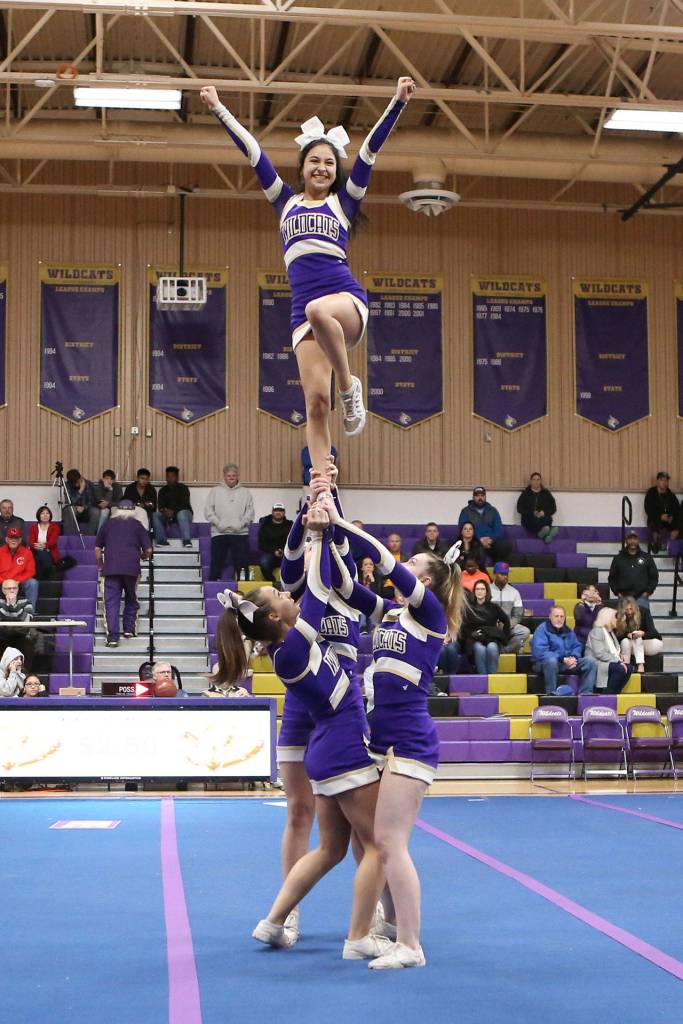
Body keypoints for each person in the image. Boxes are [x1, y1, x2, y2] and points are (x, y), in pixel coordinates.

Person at [200, 76, 416, 486]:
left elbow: (370, 151)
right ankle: (321, 482)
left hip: (345, 302)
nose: (322, 167)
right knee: (315, 405)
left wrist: (397, 102)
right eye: (315, 161)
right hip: (304, 316)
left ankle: (350, 389)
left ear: (336, 172)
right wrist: (217, 108)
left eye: (330, 163)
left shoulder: (345, 202)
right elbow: (253, 153)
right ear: (302, 167)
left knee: (321, 312)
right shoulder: (285, 202)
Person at [213, 504, 387, 962]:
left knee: (333, 847)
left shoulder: (290, 640)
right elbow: (309, 588)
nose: (283, 593)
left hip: (331, 741)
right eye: (276, 595)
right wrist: (313, 531)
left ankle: (272, 920)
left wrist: (323, 521)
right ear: (275, 617)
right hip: (343, 738)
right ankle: (362, 934)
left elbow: (314, 588)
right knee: (378, 843)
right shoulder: (293, 643)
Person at [316, 487, 463, 969]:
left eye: (414, 561)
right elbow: (346, 587)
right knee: (369, 842)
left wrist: (344, 523)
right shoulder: (393, 612)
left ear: (426, 578)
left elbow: (384, 563)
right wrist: (328, 538)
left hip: (410, 743)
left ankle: (411, 946)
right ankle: (394, 924)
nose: (406, 563)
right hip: (379, 742)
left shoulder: (430, 614)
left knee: (390, 843)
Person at [95, 500, 152, 647]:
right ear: (133, 510)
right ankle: (129, 629)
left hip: (110, 569)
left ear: (117, 510)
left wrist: (101, 565)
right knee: (131, 599)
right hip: (132, 569)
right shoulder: (137, 525)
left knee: (111, 603)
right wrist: (143, 557)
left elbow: (97, 549)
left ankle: (113, 638)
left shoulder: (108, 525)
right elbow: (149, 550)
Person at [531, 606, 597, 695]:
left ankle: (586, 693)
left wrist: (573, 657)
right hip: (544, 663)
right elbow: (540, 652)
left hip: (566, 663)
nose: (559, 619)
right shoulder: (542, 629)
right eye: (556, 616)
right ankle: (551, 693)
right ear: (550, 616)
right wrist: (562, 659)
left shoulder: (568, 630)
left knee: (590, 661)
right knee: (551, 661)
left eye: (562, 616)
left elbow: (576, 646)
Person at [205, 464, 254, 581]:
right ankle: (213, 584)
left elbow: (250, 513)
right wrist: (219, 524)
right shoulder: (215, 491)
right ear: (224, 476)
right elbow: (208, 511)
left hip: (240, 533)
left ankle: (244, 585)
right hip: (219, 532)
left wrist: (240, 524)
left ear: (237, 476)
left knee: (242, 562)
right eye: (229, 475)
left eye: (234, 475)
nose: (231, 477)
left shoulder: (246, 492)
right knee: (216, 561)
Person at [459, 579, 510, 675]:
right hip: (474, 638)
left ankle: (492, 678)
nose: (479, 591)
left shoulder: (494, 607)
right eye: (477, 589)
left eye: (482, 589)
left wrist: (505, 637)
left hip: (491, 638)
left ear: (487, 592)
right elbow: (463, 627)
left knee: (492, 648)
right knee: (480, 649)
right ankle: (483, 678)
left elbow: (506, 621)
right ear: (474, 591)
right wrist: (471, 634)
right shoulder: (468, 608)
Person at [458, 487, 513, 563]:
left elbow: (498, 529)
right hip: (474, 542)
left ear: (485, 497)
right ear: (473, 497)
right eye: (477, 496)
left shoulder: (493, 511)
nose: (480, 498)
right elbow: (462, 528)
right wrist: (479, 540)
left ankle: (499, 571)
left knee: (505, 545)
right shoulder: (465, 511)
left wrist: (491, 540)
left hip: (491, 542)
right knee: (473, 548)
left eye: (482, 495)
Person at [585, 607, 632, 693]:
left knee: (629, 668)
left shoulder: (611, 633)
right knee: (619, 668)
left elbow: (614, 651)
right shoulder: (597, 631)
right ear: (607, 618)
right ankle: (607, 693)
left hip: (608, 661)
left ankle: (615, 692)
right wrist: (618, 661)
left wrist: (621, 656)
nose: (617, 620)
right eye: (615, 617)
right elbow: (600, 654)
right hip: (598, 663)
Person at [608, 529, 658, 609]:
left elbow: (654, 577)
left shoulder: (647, 557)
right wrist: (617, 593)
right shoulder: (618, 558)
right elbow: (612, 578)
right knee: (623, 621)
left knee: (643, 621)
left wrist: (647, 592)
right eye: (630, 539)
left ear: (638, 540)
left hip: (642, 598)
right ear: (626, 541)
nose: (632, 541)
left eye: (635, 539)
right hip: (624, 598)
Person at [489, 562, 530, 653]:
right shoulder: (487, 590)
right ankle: (511, 647)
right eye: (502, 574)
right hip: (491, 626)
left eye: (506, 574)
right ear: (494, 574)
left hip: (508, 627)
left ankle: (503, 650)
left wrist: (508, 625)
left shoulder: (514, 592)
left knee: (525, 631)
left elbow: (518, 615)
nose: (505, 577)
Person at [615, 596, 663, 673]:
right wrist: (627, 635)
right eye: (627, 610)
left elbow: (654, 633)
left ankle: (641, 665)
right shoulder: (619, 616)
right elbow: (617, 637)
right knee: (625, 641)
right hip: (631, 646)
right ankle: (626, 665)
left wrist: (642, 633)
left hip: (650, 643)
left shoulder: (644, 612)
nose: (629, 612)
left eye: (631, 609)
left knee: (637, 638)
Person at [153, 466, 194, 548]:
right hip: (168, 515)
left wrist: (173, 512)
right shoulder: (162, 490)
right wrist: (165, 511)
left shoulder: (183, 488)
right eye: (168, 476)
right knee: (155, 515)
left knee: (181, 513)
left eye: (173, 476)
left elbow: (184, 504)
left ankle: (186, 541)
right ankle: (162, 541)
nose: (170, 478)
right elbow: (161, 506)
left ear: (177, 477)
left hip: (184, 515)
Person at [0, 527, 38, 610]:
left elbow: (31, 571)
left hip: (20, 582)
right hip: (3, 581)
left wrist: (17, 581)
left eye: (16, 538)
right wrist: (4, 581)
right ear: (6, 539)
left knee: (33, 583)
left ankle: (30, 612)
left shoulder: (27, 553)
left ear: (20, 540)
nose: (13, 540)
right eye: (11, 538)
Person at [0, 579, 34, 668]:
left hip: (20, 635)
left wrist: (14, 606)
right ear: (3, 590)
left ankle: (25, 675)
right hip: (2, 635)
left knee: (28, 647)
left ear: (18, 589)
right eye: (8, 588)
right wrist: (8, 605)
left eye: (14, 588)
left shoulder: (26, 602)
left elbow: (27, 620)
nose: (12, 591)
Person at [644, 471, 680, 554]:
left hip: (668, 520)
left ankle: (672, 547)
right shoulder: (651, 493)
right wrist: (660, 516)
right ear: (657, 481)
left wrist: (671, 517)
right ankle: (656, 545)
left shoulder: (671, 495)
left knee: (678, 524)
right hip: (655, 519)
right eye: (662, 480)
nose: (664, 483)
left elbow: (676, 509)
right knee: (655, 525)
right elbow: (648, 509)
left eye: (666, 481)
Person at [516, 472, 558, 542]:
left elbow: (553, 508)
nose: (536, 481)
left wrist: (544, 512)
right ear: (531, 481)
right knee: (533, 521)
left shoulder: (546, 493)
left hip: (542, 518)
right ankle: (547, 533)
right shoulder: (525, 493)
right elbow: (519, 509)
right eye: (534, 479)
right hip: (529, 518)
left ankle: (544, 534)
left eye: (538, 479)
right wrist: (532, 513)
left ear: (541, 481)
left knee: (547, 519)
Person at [257, 503, 292, 582]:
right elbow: (262, 544)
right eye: (276, 510)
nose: (278, 512)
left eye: (281, 510)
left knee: (297, 562)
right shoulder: (265, 526)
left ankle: (289, 583)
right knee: (263, 562)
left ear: (284, 512)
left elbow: (293, 541)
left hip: (286, 553)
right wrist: (274, 551)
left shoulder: (290, 525)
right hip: (270, 553)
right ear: (272, 512)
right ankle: (273, 583)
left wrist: (283, 550)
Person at [28, 506, 61, 579]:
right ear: (39, 515)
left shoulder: (55, 527)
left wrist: (44, 546)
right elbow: (31, 542)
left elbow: (53, 541)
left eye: (47, 513)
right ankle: (47, 576)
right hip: (36, 551)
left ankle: (40, 581)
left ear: (50, 515)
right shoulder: (34, 527)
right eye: (42, 513)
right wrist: (35, 546)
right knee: (39, 554)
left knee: (39, 556)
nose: (45, 515)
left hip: (50, 552)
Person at [63, 469, 99, 535]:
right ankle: (73, 536)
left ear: (81, 477)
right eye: (74, 483)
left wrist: (84, 507)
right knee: (70, 510)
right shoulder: (67, 485)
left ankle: (90, 536)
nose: (76, 484)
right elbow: (69, 502)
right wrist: (80, 490)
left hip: (86, 510)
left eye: (77, 482)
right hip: (74, 510)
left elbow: (93, 501)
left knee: (96, 511)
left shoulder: (89, 484)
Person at [573, 584, 604, 650]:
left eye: (594, 592)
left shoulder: (600, 607)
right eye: (589, 592)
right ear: (584, 594)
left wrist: (599, 603)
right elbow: (578, 617)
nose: (591, 594)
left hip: (596, 640)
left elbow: (602, 621)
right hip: (581, 639)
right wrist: (582, 601)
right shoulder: (579, 606)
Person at [381, 532, 403, 600]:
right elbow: (379, 574)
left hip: (401, 587)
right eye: (392, 541)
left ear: (400, 543)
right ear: (388, 543)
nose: (394, 544)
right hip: (387, 587)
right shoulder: (383, 558)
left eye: (397, 541)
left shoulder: (406, 558)